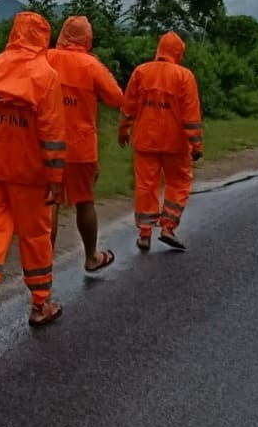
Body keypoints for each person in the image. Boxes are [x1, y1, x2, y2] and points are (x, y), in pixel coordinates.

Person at [0, 11, 65, 343]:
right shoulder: (46, 76)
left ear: (14, 33)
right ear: (42, 38)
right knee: (35, 239)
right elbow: (51, 134)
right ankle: (39, 305)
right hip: (30, 176)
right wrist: (55, 177)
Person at [47, 16, 124, 272]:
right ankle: (92, 256)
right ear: (87, 38)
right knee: (85, 202)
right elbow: (116, 98)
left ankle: (42, 263)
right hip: (81, 147)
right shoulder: (91, 66)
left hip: (47, 143)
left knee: (49, 203)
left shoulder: (44, 58)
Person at [118, 31, 203, 251]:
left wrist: (123, 130)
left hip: (145, 140)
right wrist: (196, 144)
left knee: (146, 186)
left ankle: (144, 234)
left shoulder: (141, 72)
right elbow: (191, 116)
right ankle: (168, 227)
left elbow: (129, 105)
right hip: (175, 144)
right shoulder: (185, 76)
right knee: (179, 182)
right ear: (179, 52)